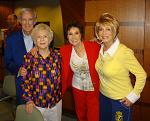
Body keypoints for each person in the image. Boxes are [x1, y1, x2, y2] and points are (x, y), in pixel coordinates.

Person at [95, 13, 147, 121]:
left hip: (120, 101)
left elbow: (142, 75)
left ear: (114, 31)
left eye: (108, 29)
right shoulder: (101, 48)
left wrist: (132, 97)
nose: (104, 33)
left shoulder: (124, 52)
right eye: (101, 29)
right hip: (104, 97)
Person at [60, 22, 100, 121]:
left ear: (81, 34)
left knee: (94, 116)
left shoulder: (94, 46)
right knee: (81, 115)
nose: (73, 37)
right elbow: (49, 54)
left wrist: (100, 40)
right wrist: (36, 48)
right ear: (67, 36)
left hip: (93, 88)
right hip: (77, 87)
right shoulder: (64, 50)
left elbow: (109, 44)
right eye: (70, 34)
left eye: (76, 33)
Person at [21, 23, 62, 121]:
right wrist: (29, 100)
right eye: (38, 37)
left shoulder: (58, 56)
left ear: (50, 38)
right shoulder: (29, 57)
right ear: (35, 40)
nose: (42, 39)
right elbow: (25, 81)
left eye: (45, 36)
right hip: (36, 103)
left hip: (55, 102)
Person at [4, 8, 37, 104]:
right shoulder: (11, 39)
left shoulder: (43, 38)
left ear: (35, 21)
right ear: (19, 21)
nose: (27, 23)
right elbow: (7, 61)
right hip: (22, 87)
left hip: (41, 86)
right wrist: (18, 70)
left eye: (30, 19)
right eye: (24, 20)